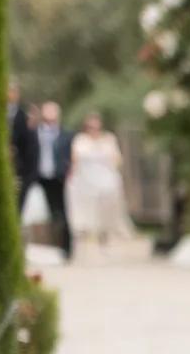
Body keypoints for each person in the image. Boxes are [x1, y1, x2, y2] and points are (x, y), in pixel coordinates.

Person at [67, 112, 131, 247]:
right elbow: (75, 159)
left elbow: (117, 159)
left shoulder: (109, 138)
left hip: (105, 178)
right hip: (85, 179)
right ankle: (87, 231)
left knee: (109, 199)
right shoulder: (80, 139)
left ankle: (105, 231)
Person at [34, 101, 74, 259]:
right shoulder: (34, 133)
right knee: (41, 213)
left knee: (62, 214)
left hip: (59, 178)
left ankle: (65, 249)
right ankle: (44, 248)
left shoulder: (67, 135)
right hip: (39, 178)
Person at [7, 80, 38, 210]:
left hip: (19, 170)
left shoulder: (26, 118)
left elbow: (31, 149)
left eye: (13, 91)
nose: (9, 94)